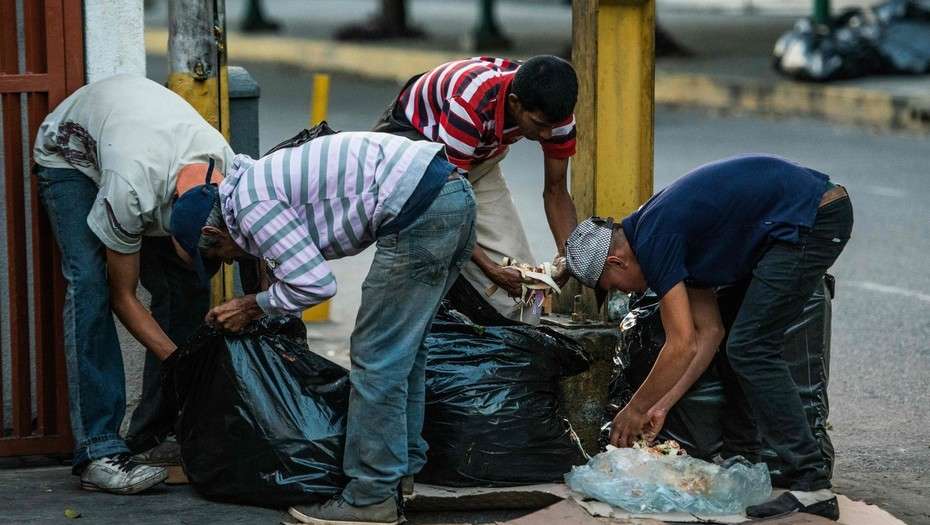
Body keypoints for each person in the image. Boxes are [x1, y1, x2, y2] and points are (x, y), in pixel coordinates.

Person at [189, 131, 476, 525]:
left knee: (377, 355)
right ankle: (401, 471)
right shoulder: (254, 185)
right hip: (453, 193)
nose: (231, 260)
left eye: (222, 255)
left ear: (214, 233)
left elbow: (316, 284)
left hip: (421, 207)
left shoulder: (251, 205)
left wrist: (251, 306)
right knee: (405, 351)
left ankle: (371, 496)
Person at [563, 155, 853, 521]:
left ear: (617, 262)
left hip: (815, 216)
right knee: (737, 340)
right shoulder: (660, 235)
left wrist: (634, 410)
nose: (622, 294)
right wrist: (661, 404)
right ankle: (744, 459)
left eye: (612, 287)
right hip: (796, 221)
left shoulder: (655, 237)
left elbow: (681, 343)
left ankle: (812, 484)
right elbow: (708, 334)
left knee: (751, 347)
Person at [33, 74, 234, 494]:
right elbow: (123, 297)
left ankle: (153, 435)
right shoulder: (130, 191)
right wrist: (182, 362)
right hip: (70, 157)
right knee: (90, 285)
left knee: (187, 289)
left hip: (141, 148)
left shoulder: (228, 174)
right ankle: (99, 450)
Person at [374, 55, 578, 323]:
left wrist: (569, 257)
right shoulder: (470, 102)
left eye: (554, 127)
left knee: (525, 298)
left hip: (473, 161)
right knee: (425, 266)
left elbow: (556, 192)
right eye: (540, 126)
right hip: (416, 155)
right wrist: (491, 270)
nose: (548, 136)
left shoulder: (555, 115)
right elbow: (448, 204)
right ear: (515, 103)